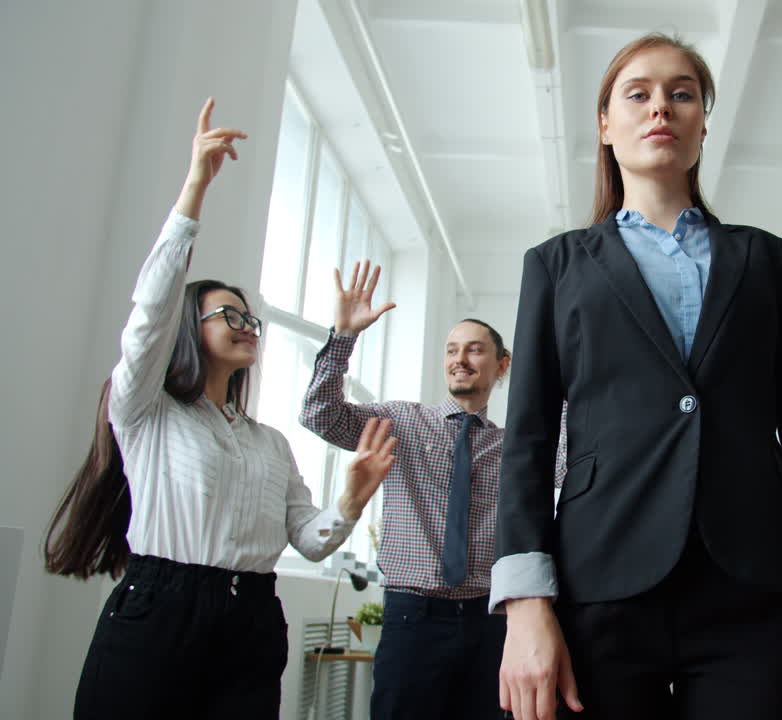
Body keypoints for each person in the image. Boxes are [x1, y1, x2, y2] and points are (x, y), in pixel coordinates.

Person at [491, 32, 782, 720]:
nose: (661, 106)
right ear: (605, 124)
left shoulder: (764, 259)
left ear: (702, 124)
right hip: (599, 579)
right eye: (639, 93)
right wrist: (524, 605)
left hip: (751, 584)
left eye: (681, 93)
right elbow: (528, 442)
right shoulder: (557, 266)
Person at [45, 99, 396, 720]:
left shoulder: (270, 443)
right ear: (191, 328)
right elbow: (148, 320)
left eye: (249, 316)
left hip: (252, 622)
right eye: (227, 314)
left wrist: (349, 502)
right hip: (158, 612)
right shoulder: (146, 413)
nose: (246, 324)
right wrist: (193, 192)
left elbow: (311, 544)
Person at [301, 262, 559, 719]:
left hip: (490, 620)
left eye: (475, 350)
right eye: (452, 350)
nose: (459, 359)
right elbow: (320, 415)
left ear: (502, 366)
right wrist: (342, 337)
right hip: (411, 618)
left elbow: (582, 466)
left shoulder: (516, 445)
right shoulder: (400, 422)